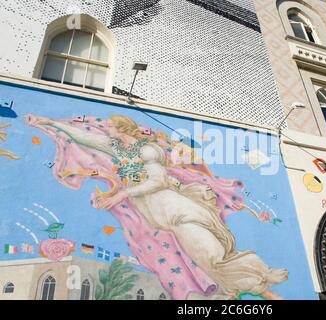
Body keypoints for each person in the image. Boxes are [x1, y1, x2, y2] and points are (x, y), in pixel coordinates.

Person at [30, 115, 287, 300]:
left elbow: (158, 180)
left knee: (213, 258)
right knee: (205, 261)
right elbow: (86, 139)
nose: (105, 129)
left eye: (109, 126)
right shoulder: (118, 148)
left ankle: (265, 286)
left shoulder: (147, 151)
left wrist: (122, 195)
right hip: (162, 216)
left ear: (121, 128)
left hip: (178, 211)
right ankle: (253, 288)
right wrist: (51, 123)